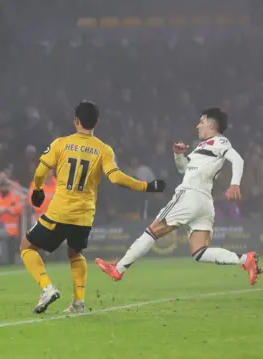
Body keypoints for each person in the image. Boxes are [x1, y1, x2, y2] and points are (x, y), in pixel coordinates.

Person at [21, 101, 165, 314]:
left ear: (76, 120)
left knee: (26, 246)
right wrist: (146, 186)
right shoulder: (103, 149)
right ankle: (78, 302)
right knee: (75, 253)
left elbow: (41, 170)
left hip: (60, 211)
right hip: (85, 216)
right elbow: (115, 178)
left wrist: (38, 189)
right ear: (96, 122)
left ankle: (47, 288)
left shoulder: (61, 143)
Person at [96, 108, 260, 284]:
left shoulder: (220, 141)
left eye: (201, 122)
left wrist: (235, 184)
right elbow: (184, 169)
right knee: (200, 251)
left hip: (189, 195)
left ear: (212, 125)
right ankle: (245, 259)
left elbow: (238, 160)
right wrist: (178, 154)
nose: (198, 125)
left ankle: (119, 268)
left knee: (152, 231)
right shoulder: (202, 147)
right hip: (204, 202)